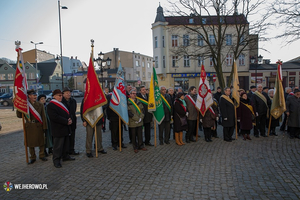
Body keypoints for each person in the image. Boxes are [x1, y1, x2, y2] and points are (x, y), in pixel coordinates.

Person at [17, 89, 48, 164]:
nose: (35, 96)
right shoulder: (25, 105)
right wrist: (19, 107)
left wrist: (45, 127)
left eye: (35, 95)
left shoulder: (40, 104)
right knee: (30, 143)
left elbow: (43, 117)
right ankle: (32, 157)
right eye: (33, 95)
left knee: (41, 141)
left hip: (38, 125)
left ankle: (42, 155)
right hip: (29, 126)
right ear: (29, 96)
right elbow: (19, 116)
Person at [47, 89, 75, 168]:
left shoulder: (62, 103)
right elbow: (54, 117)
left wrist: (69, 119)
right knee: (58, 146)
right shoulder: (51, 105)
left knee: (66, 144)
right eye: (59, 95)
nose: (61, 97)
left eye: (61, 95)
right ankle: (56, 160)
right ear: (54, 96)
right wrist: (66, 121)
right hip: (58, 128)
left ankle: (65, 156)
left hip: (65, 127)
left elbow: (68, 113)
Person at [127, 88, 146, 153]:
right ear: (130, 94)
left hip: (140, 121)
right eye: (133, 93)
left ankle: (141, 145)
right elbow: (129, 112)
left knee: (140, 134)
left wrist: (141, 118)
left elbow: (142, 110)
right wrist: (137, 119)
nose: (134, 95)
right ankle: (135, 147)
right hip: (133, 122)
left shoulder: (138, 101)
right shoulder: (128, 102)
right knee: (133, 135)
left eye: (135, 93)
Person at [62, 88, 79, 155]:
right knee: (66, 138)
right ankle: (65, 151)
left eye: (69, 93)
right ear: (63, 94)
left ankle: (72, 150)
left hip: (73, 121)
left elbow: (73, 111)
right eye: (67, 93)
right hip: (65, 122)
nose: (68, 94)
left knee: (72, 137)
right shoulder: (61, 102)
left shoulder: (73, 101)